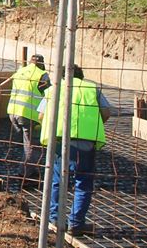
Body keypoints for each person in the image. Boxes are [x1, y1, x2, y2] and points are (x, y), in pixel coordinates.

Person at [39, 65, 112, 237]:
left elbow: (41, 116)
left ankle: (55, 219)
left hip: (59, 140)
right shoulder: (91, 89)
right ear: (81, 77)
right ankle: (76, 223)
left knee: (58, 180)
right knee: (83, 181)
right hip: (85, 142)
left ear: (62, 76)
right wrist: (91, 123)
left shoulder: (54, 89)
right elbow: (106, 112)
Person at [6, 54, 51, 183]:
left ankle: (31, 169)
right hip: (29, 115)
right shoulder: (42, 75)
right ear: (42, 64)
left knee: (27, 143)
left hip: (13, 112)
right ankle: (25, 174)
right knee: (34, 146)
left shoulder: (20, 71)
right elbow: (49, 94)